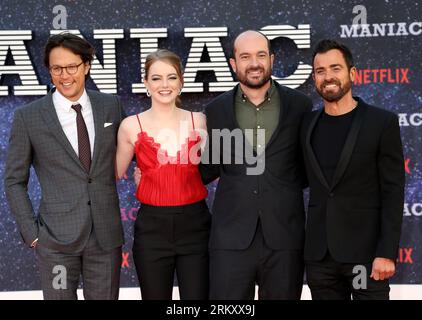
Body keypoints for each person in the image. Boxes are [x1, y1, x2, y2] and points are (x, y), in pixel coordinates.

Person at [4, 33, 125, 300]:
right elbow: (14, 180)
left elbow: (133, 151)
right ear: (49, 70)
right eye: (57, 68)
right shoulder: (29, 117)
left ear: (87, 66)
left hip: (105, 237)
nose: (65, 75)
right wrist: (32, 234)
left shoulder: (110, 106)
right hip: (55, 241)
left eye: (72, 67)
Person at [200, 30, 313, 299]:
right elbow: (207, 168)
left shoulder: (300, 105)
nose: (254, 63)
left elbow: (309, 167)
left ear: (272, 59)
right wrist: (151, 170)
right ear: (233, 63)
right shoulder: (216, 110)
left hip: (285, 239)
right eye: (245, 56)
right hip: (231, 239)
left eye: (261, 55)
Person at [300, 39, 405, 300]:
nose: (328, 77)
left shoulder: (381, 122)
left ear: (352, 73)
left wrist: (386, 252)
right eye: (320, 71)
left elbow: (393, 191)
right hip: (320, 258)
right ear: (314, 78)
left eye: (335, 68)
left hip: (366, 257)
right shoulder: (306, 124)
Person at [116, 49, 210, 300]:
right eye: (156, 78)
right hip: (152, 229)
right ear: (146, 83)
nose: (164, 85)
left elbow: (212, 169)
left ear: (181, 81)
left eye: (171, 77)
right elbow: (112, 173)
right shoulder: (130, 126)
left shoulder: (199, 121)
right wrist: (145, 177)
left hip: (196, 227)